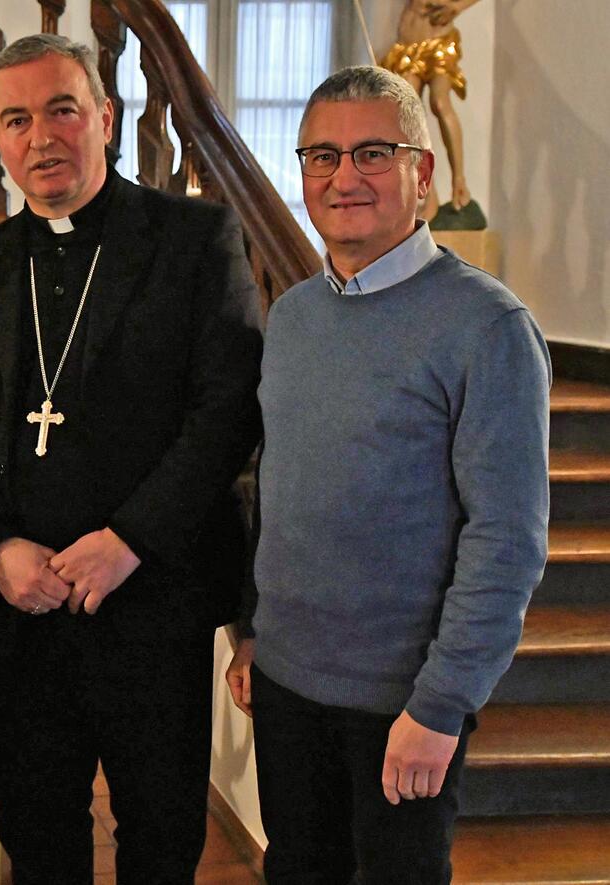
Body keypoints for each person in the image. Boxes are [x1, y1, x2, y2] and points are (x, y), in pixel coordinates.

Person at [0, 33, 263, 884]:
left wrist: (131, 537)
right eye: (17, 119)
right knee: (36, 839)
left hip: (153, 604)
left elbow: (227, 413)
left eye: (63, 109)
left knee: (162, 836)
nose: (42, 138)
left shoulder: (194, 241)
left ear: (104, 117)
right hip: (22, 612)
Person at [225, 66, 550, 883]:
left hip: (402, 700)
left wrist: (442, 702)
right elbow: (278, 484)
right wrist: (251, 626)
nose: (344, 177)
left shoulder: (488, 327)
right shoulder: (294, 314)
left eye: (373, 152)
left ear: (423, 171)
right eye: (321, 156)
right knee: (296, 870)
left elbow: (507, 540)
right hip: (286, 683)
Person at [381, 0, 483, 218]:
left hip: (439, 40)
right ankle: (428, 190)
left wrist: (458, 7)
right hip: (408, 44)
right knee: (406, 114)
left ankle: (459, 181)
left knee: (439, 103)